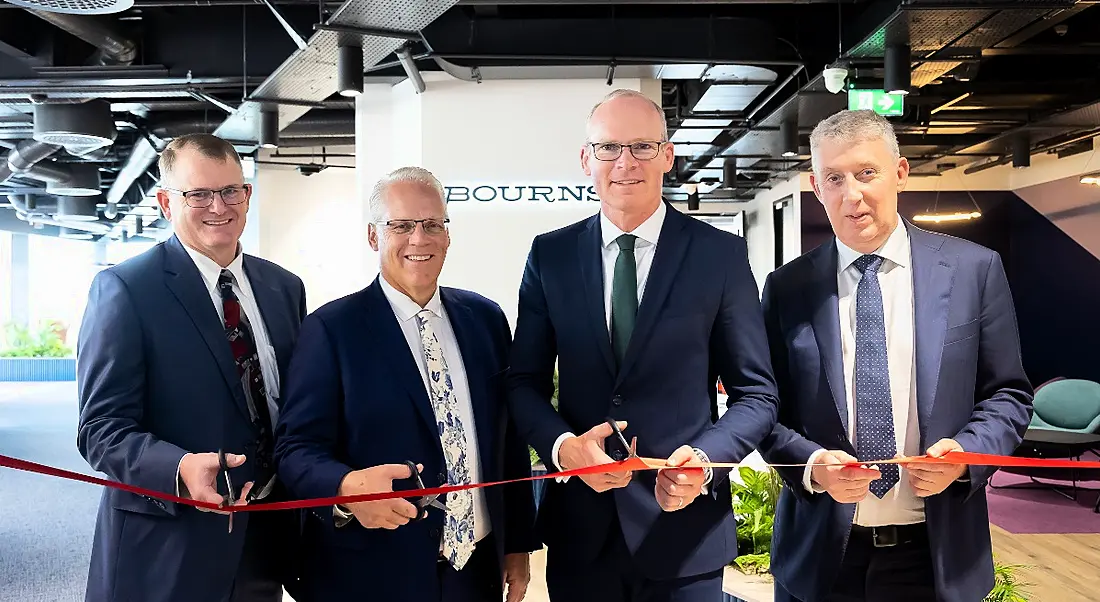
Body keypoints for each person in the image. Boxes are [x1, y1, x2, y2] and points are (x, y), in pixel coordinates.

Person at [506, 88, 780, 602]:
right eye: (609, 148)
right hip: (581, 536)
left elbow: (757, 395)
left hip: (685, 530)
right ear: (587, 159)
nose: (625, 162)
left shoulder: (719, 256)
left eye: (642, 147)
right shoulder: (551, 256)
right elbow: (524, 383)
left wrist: (704, 457)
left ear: (668, 156)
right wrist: (565, 450)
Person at [757, 109, 1034, 602]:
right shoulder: (787, 288)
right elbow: (764, 408)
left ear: (900, 173)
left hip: (935, 555)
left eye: (867, 173)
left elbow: (1007, 394)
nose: (852, 194)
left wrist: (965, 456)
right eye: (834, 179)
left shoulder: (974, 271)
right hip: (820, 555)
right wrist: (812, 463)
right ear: (817, 189)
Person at [273, 166, 539, 602]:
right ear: (375, 237)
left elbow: (507, 442)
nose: (420, 238)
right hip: (371, 573)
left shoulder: (486, 320)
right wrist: (345, 488)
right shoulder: (332, 329)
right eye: (401, 226)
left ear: (448, 236)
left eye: (433, 224)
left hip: (474, 571)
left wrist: (517, 544)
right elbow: (295, 449)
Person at [76, 133, 308, 602]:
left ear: (247, 194)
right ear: (165, 202)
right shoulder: (126, 289)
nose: (218, 206)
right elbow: (100, 428)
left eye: (230, 191)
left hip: (264, 537)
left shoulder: (285, 288)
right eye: (197, 194)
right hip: (168, 540)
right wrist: (179, 467)